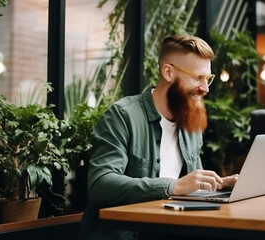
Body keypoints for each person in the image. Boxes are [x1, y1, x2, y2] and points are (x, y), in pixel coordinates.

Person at [77, 35, 238, 240]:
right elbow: (100, 185)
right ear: (168, 72)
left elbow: (190, 186)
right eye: (197, 78)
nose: (205, 88)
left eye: (208, 79)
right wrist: (172, 186)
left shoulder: (191, 124)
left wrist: (218, 184)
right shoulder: (122, 116)